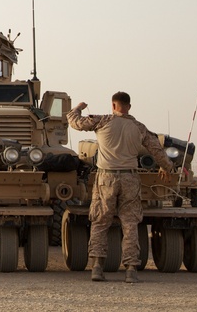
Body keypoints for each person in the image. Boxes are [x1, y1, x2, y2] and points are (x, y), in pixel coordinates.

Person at [67, 92, 173, 284]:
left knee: (100, 222)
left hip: (106, 177)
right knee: (130, 224)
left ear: (113, 105)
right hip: (130, 178)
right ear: (129, 107)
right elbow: (156, 148)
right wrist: (167, 167)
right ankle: (131, 269)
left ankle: (97, 267)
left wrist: (77, 108)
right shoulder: (139, 128)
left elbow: (75, 122)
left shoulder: (102, 121)